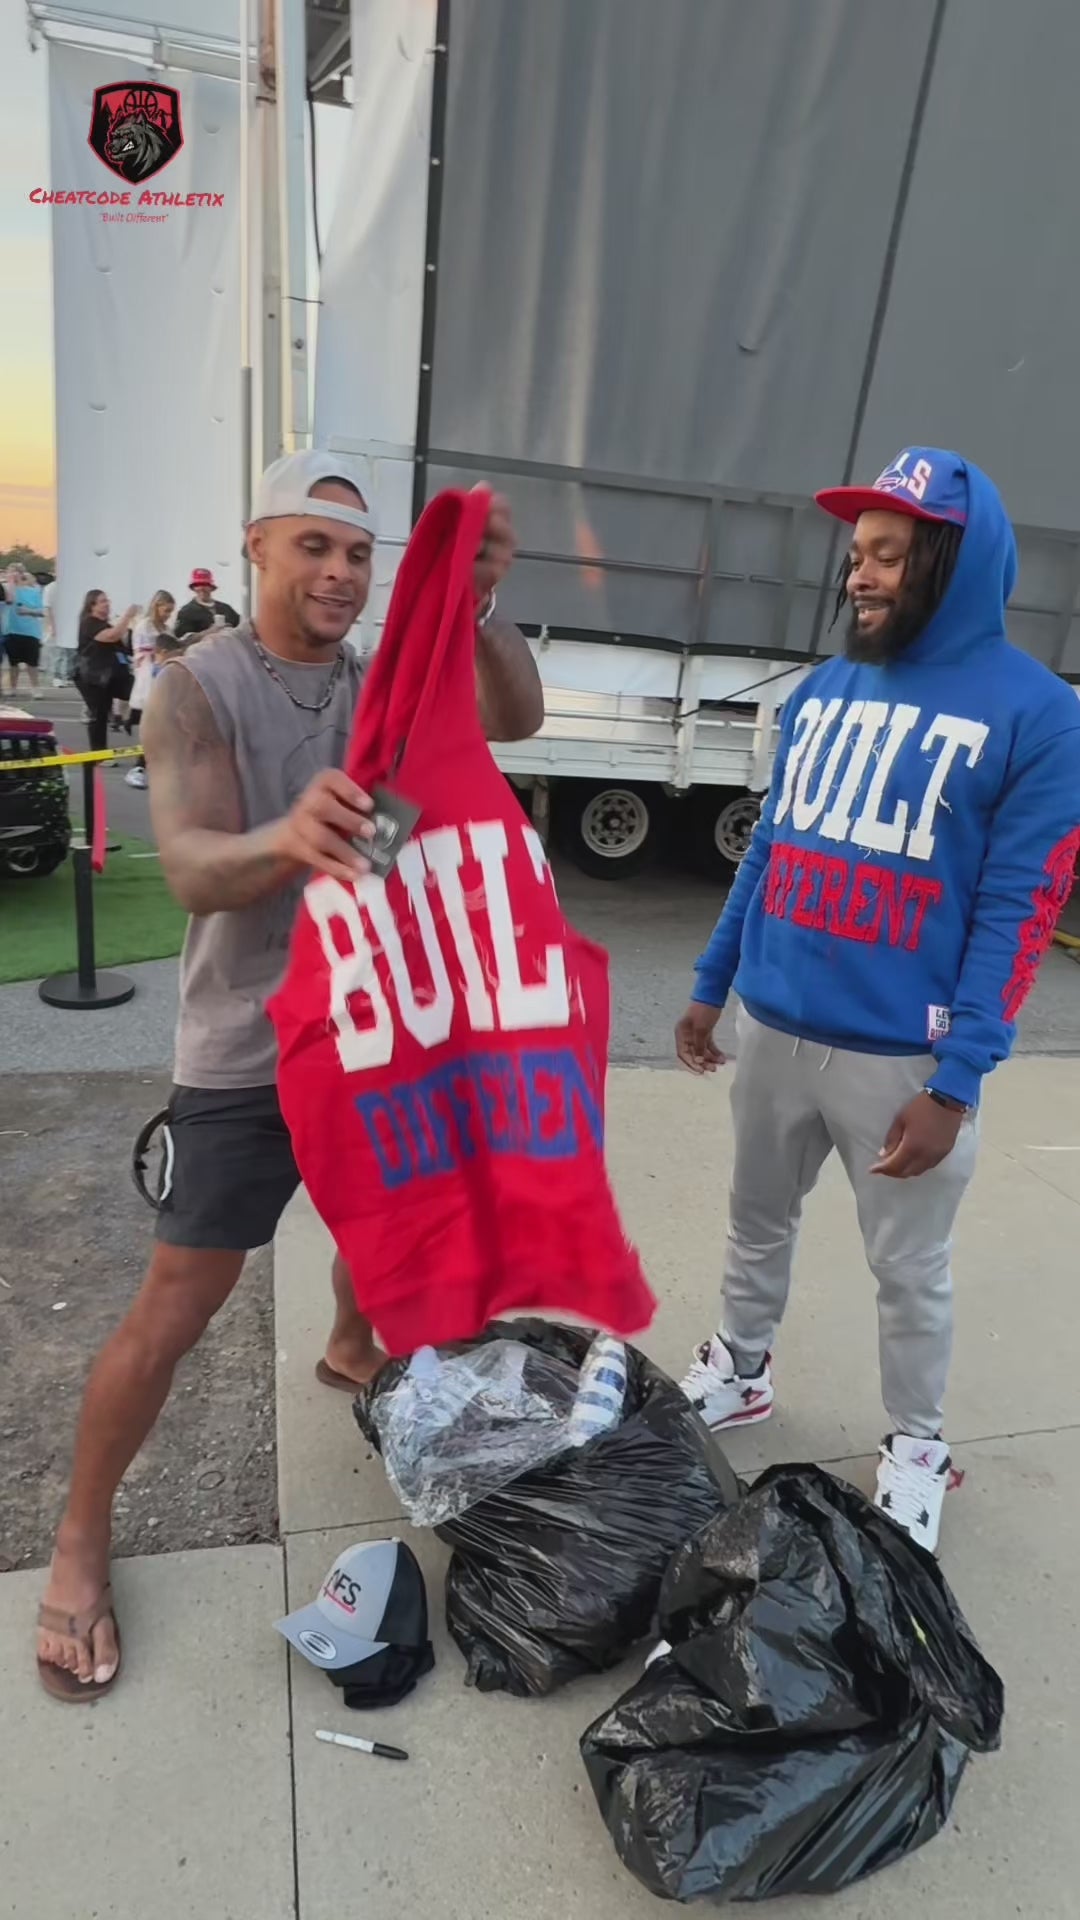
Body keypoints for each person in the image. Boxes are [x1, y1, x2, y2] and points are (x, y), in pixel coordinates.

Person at [36, 450, 543, 1699]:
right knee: (177, 1306)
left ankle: (349, 1346)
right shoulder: (195, 686)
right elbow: (193, 869)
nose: (339, 571)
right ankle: (81, 1540)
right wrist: (289, 836)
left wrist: (478, 605)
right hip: (246, 1050)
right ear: (257, 545)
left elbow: (516, 716)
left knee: (396, 1222)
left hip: (371, 1030)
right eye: (313, 545)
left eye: (359, 554)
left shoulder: (377, 678)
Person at [675, 447, 1080, 1554]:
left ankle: (917, 1445)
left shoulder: (1039, 715)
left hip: (903, 1058)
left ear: (953, 564)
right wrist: (713, 983)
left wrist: (957, 1082)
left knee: (908, 1269)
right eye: (859, 553)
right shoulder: (822, 693)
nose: (860, 574)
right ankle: (741, 1368)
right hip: (774, 1025)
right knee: (755, 1219)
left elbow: (1020, 911)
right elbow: (769, 852)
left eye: (889, 556)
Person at [74, 590, 140, 752]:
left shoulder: (107, 624)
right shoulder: (89, 623)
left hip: (111, 676)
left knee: (139, 694)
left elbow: (124, 647)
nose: (107, 604)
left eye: (107, 600)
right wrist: (127, 617)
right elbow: (111, 636)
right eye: (103, 601)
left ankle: (129, 719)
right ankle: (98, 755)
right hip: (93, 678)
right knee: (99, 715)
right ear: (92, 605)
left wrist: (132, 630)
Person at [125, 590, 176, 788]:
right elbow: (146, 652)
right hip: (148, 679)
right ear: (157, 606)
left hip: (162, 678)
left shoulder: (166, 628)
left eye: (170, 611)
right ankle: (139, 767)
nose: (168, 615)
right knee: (152, 725)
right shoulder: (144, 626)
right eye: (166, 610)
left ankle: (151, 765)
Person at [4, 567, 45, 698]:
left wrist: (29, 611)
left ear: (22, 574)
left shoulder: (33, 592)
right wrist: (11, 583)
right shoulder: (7, 589)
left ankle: (35, 688)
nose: (14, 575)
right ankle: (13, 687)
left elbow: (42, 611)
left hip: (31, 632)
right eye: (11, 572)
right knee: (13, 663)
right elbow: (9, 600)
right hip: (11, 630)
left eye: (17, 572)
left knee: (32, 663)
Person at [174, 567, 240, 641]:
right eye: (198, 584)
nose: (202, 588)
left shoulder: (226, 609)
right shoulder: (186, 612)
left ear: (211, 587)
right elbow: (182, 642)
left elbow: (242, 629)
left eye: (205, 584)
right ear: (193, 588)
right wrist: (209, 632)